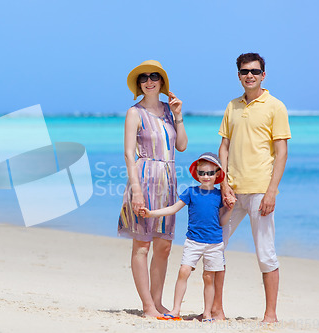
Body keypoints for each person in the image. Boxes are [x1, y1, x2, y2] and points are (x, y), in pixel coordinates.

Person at [214, 53, 291, 323]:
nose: (250, 76)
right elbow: (223, 147)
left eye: (255, 71)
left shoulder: (275, 107)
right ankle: (216, 311)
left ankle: (270, 315)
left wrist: (271, 192)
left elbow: (281, 153)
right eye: (245, 71)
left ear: (263, 75)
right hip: (231, 191)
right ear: (238, 75)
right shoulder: (232, 106)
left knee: (266, 253)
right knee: (214, 248)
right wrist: (223, 183)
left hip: (261, 192)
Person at [118, 60, 188, 317]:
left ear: (161, 82)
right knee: (142, 245)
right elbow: (128, 154)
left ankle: (158, 303)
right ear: (139, 84)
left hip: (168, 180)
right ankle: (147, 305)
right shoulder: (134, 113)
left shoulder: (170, 111)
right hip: (144, 178)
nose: (149, 81)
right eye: (144, 78)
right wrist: (136, 191)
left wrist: (179, 115)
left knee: (164, 246)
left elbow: (181, 146)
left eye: (154, 76)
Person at [139, 153, 234, 321]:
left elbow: (222, 221)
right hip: (193, 241)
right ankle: (176, 310)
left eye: (210, 173)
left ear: (217, 174)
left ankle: (207, 313)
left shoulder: (219, 195)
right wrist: (151, 213)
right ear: (196, 174)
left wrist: (231, 209)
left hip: (214, 243)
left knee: (208, 277)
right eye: (202, 173)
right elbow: (173, 209)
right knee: (183, 271)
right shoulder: (191, 192)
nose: (206, 176)